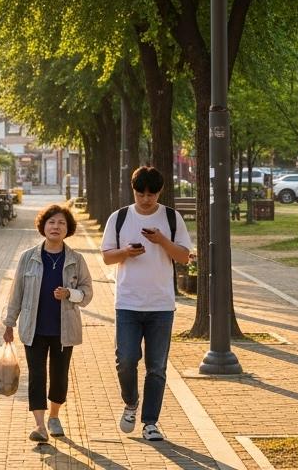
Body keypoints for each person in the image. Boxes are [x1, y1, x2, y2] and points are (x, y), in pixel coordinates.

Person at [100, 165, 191, 442]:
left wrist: (162, 240)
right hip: (127, 302)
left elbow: (185, 257)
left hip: (161, 304)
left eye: (151, 194)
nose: (146, 199)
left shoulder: (172, 218)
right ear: (134, 190)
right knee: (126, 360)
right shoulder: (119, 218)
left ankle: (150, 422)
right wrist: (126, 252)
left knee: (156, 367)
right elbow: (106, 257)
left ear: (160, 192)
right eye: (141, 193)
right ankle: (131, 403)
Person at [3, 203, 95, 443]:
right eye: (51, 222)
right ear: (43, 226)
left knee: (59, 375)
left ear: (68, 229)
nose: (56, 226)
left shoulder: (76, 259)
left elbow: (87, 292)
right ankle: (40, 425)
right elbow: (17, 293)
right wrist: (9, 323)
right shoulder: (28, 258)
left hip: (64, 330)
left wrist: (70, 294)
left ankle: (54, 416)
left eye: (61, 223)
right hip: (33, 329)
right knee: (36, 376)